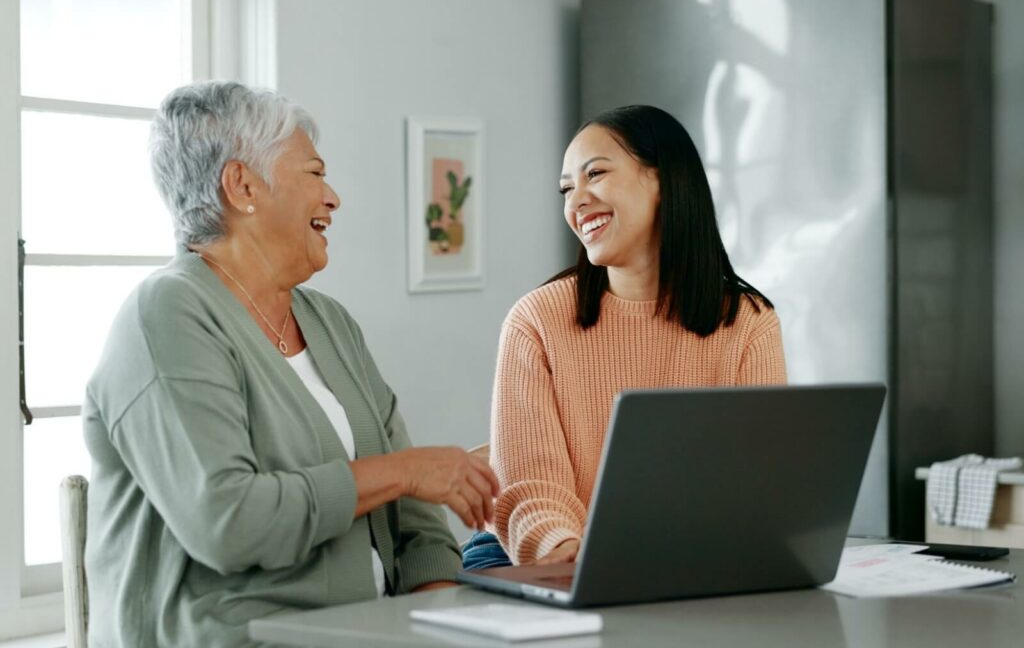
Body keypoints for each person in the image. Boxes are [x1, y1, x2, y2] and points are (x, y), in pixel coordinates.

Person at [83, 81, 499, 647]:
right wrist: (404, 472)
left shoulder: (329, 322)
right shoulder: (166, 315)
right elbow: (227, 522)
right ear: (243, 186)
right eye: (314, 172)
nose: (333, 197)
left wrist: (431, 619)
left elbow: (418, 516)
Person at [468, 105, 786, 569]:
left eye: (594, 174)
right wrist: (577, 558)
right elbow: (532, 485)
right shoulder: (535, 320)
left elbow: (761, 482)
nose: (575, 202)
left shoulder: (748, 322)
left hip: (680, 560)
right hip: (539, 555)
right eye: (565, 188)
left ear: (662, 180)